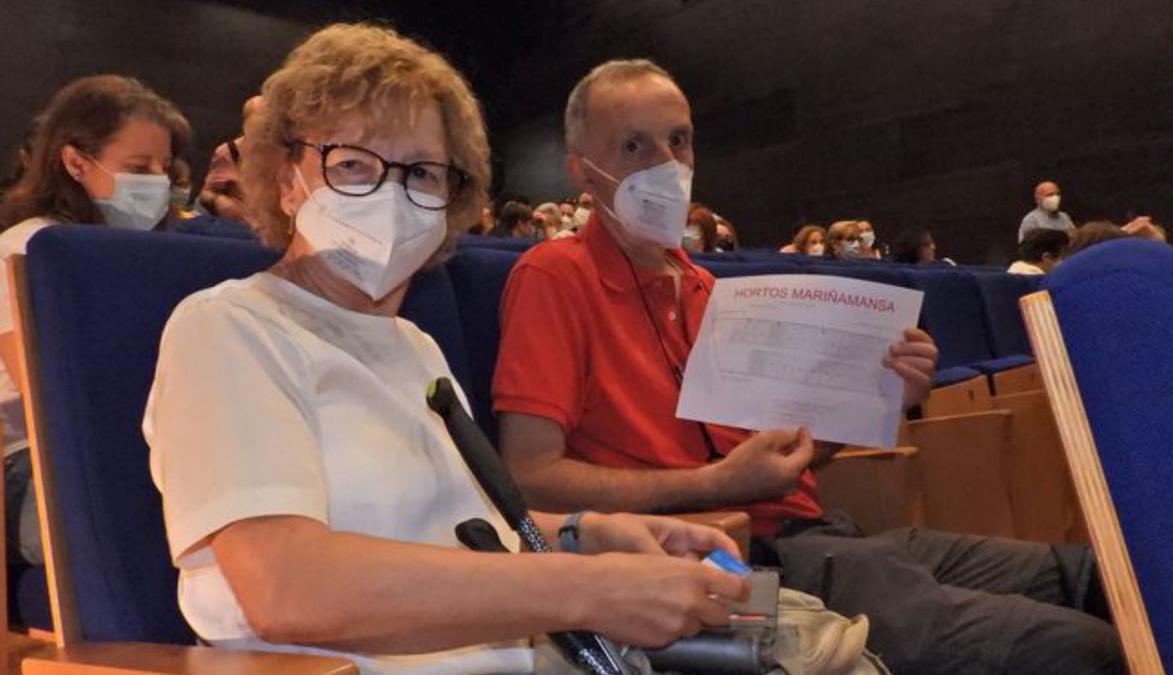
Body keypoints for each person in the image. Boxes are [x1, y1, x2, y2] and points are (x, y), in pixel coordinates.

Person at [145, 25, 746, 675]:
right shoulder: (229, 327)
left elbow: (455, 533)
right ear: (288, 179)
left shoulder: (414, 345)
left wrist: (586, 532)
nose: (391, 194)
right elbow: (285, 586)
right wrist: (590, 586)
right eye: (353, 166)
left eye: (423, 174)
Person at [492, 58, 1123, 675]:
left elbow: (784, 459)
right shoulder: (554, 276)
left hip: (830, 536)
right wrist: (715, 485)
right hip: (739, 562)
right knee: (1083, 649)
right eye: (634, 146)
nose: (666, 165)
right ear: (584, 170)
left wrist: (881, 395)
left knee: (1106, 574)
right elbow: (530, 479)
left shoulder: (708, 288)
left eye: (679, 141)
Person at [0, 74, 189, 568]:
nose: (158, 183)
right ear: (75, 161)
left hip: (144, 449)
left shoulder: (161, 255)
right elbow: (47, 398)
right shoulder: (26, 248)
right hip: (36, 463)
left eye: (164, 169)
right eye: (138, 167)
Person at [196, 95, 263, 222]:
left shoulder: (288, 153)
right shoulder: (229, 151)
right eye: (257, 121)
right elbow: (204, 194)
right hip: (239, 227)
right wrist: (219, 202)